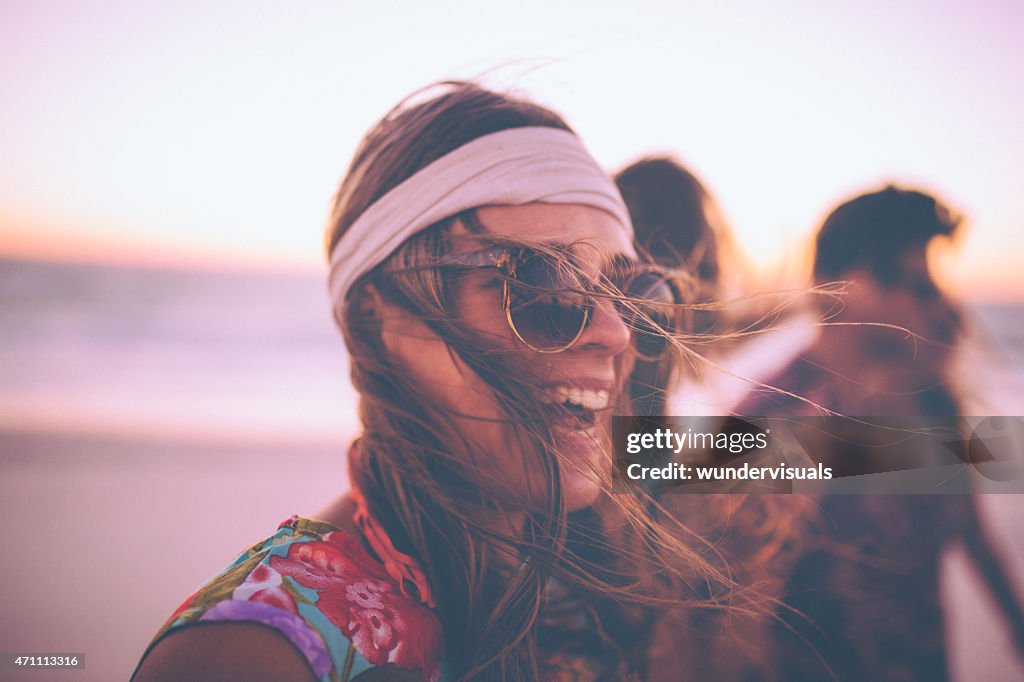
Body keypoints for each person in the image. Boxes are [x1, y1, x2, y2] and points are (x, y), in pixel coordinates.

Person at [132, 82, 748, 682]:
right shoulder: (260, 653)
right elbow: (794, 454)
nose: (617, 332)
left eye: (639, 293)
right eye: (544, 286)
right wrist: (836, 446)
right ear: (377, 318)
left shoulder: (584, 551)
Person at [738, 186, 1024, 680]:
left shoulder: (928, 398)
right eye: (920, 284)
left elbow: (968, 526)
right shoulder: (771, 419)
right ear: (852, 287)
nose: (940, 307)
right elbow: (726, 611)